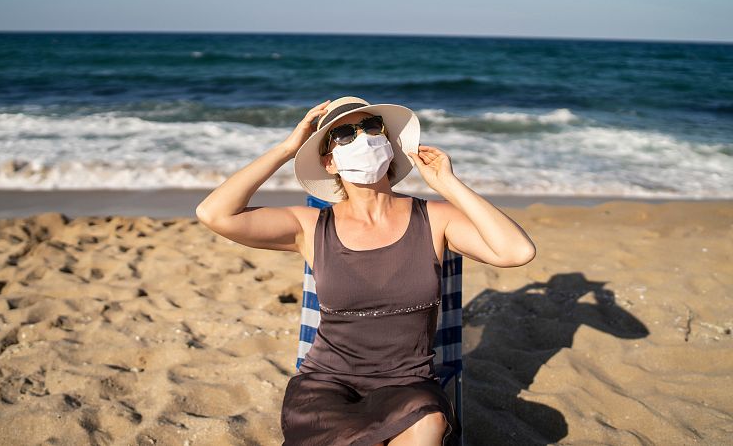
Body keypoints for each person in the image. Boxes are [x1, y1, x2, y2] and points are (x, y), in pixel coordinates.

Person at [196, 96, 536, 446]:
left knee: (428, 422)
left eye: (372, 127)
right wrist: (287, 148)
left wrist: (448, 184)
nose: (363, 137)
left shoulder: (435, 218)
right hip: (326, 386)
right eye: (344, 133)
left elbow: (517, 251)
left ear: (388, 142)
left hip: (408, 385)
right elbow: (214, 213)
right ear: (329, 162)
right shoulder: (311, 226)